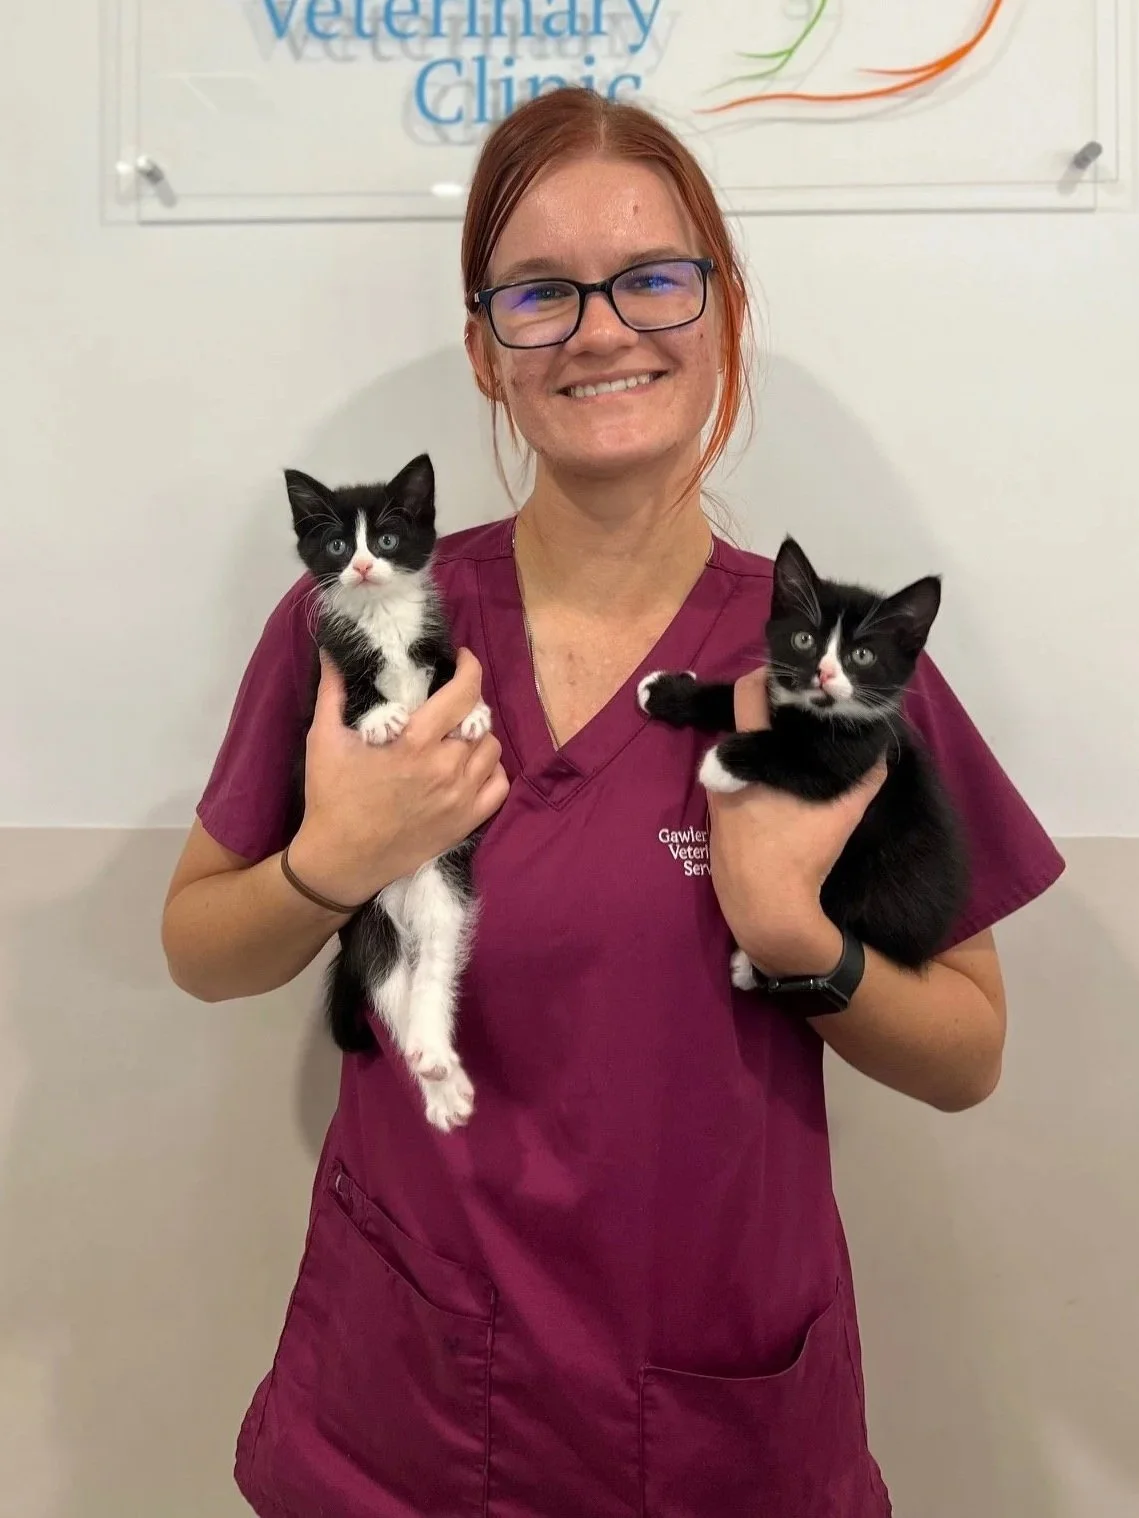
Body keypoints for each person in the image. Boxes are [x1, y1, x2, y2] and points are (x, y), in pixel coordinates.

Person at [162, 87, 1064, 1518]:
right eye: (537, 293)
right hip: (402, 1417)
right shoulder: (362, 623)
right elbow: (199, 944)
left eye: (651, 278)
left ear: (723, 313)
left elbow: (967, 1053)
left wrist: (788, 931)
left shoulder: (832, 660)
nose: (598, 328)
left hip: (717, 1431)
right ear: (482, 346)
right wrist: (329, 866)